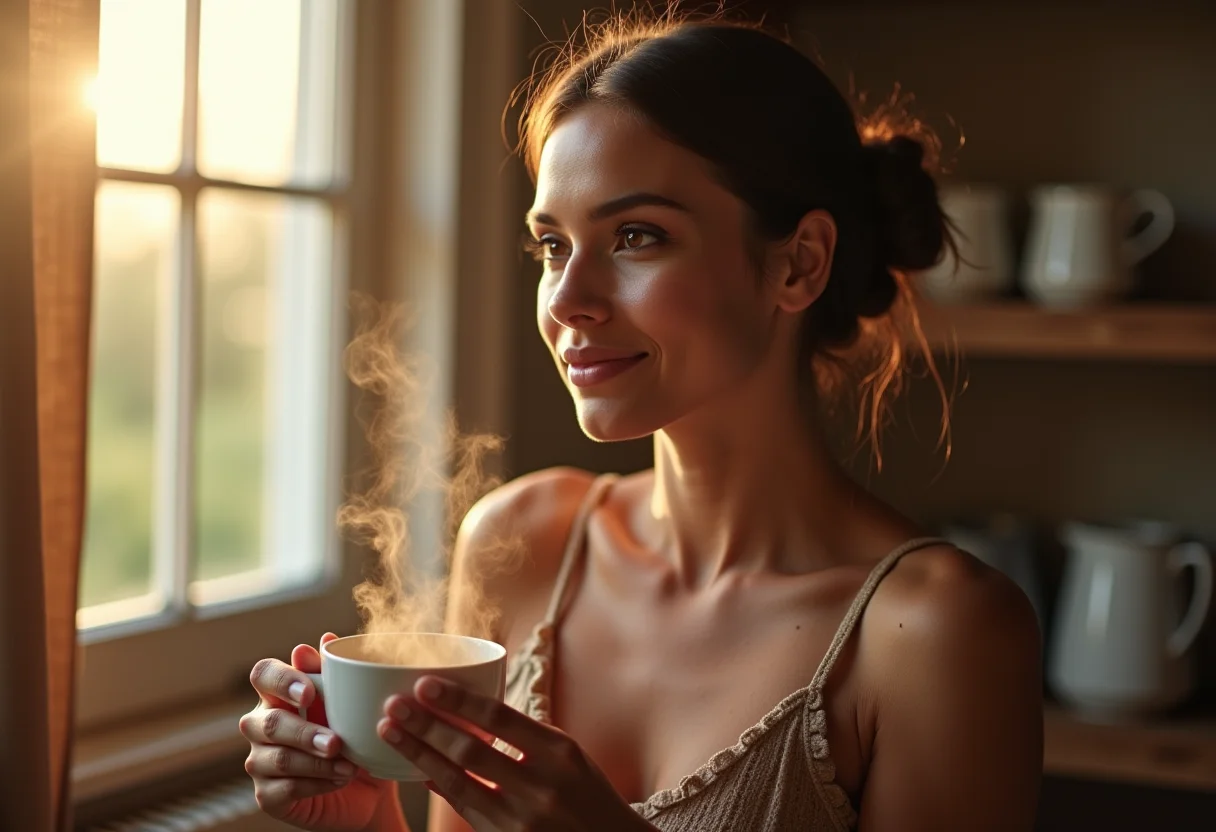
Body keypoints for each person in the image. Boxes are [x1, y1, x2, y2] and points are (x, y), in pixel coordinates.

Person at [239, 11, 1043, 832]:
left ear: (798, 263)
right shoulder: (520, 545)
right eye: (553, 246)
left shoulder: (935, 634)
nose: (568, 300)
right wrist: (365, 822)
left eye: (635, 236)